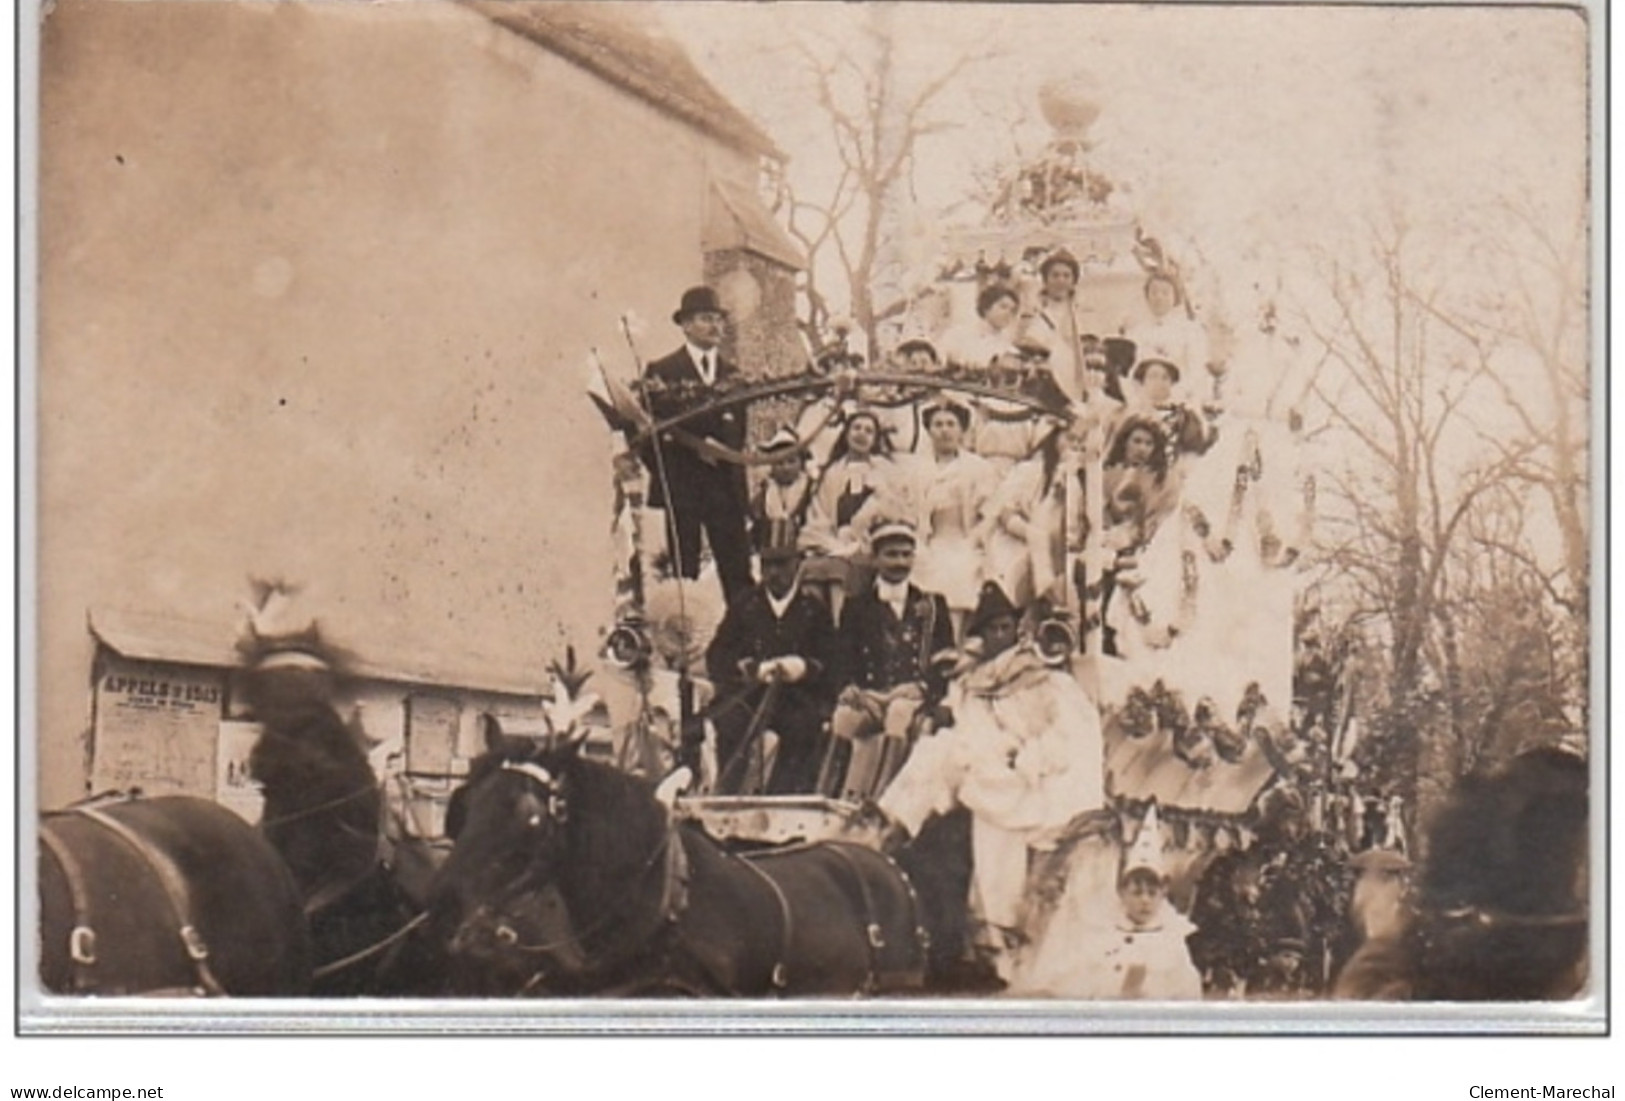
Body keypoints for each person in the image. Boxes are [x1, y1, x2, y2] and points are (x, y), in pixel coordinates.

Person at [877, 581, 1106, 984]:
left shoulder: (1046, 680)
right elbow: (966, 730)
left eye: (1007, 627)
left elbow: (1071, 736)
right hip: (986, 770)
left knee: (993, 822)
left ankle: (998, 938)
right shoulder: (973, 683)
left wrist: (1025, 757)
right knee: (938, 750)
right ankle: (890, 825)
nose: (1001, 636)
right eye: (992, 629)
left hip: (1033, 780)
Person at [819, 518, 955, 802]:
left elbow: (946, 661)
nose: (900, 562)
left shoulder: (932, 605)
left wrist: (923, 688)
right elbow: (841, 654)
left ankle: (885, 800)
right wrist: (849, 687)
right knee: (843, 718)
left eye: (906, 554)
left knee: (899, 714)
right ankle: (828, 797)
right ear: (875, 558)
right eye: (891, 554)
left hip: (911, 698)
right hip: (871, 696)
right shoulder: (857, 606)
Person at [640, 285, 754, 605]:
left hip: (725, 488)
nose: (716, 326)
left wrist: (719, 450)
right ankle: (682, 647)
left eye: (719, 319)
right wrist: (689, 454)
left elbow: (739, 433)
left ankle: (742, 647)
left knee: (738, 574)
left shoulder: (735, 374)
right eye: (706, 318)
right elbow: (650, 437)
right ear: (686, 325)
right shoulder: (661, 371)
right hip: (683, 486)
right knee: (682, 574)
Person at [703, 523, 836, 795]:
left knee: (804, 727)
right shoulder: (744, 605)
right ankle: (728, 795)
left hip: (797, 698)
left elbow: (833, 660)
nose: (774, 573)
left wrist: (803, 668)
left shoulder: (814, 610)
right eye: (767, 565)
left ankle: (786, 797)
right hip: (749, 695)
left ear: (797, 564)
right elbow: (716, 655)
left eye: (782, 564)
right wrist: (748, 667)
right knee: (729, 721)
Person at [1020, 804, 1203, 999]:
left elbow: (1187, 992)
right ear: (1122, 893)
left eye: (1152, 893)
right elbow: (1080, 980)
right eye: (1137, 893)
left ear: (1162, 894)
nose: (1145, 901)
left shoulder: (1171, 941)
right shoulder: (1103, 933)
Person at [904, 397, 996, 639]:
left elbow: (990, 513)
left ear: (962, 430)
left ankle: (957, 642)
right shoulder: (915, 469)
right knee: (921, 569)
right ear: (929, 430)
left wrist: (977, 539)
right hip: (928, 539)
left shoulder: (978, 467)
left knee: (962, 571)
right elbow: (908, 511)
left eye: (951, 424)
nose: (944, 431)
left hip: (966, 539)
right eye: (938, 424)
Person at [1125, 271, 1210, 391]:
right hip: (1144, 399)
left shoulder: (1191, 330)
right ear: (1147, 296)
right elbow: (1130, 372)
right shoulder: (1135, 332)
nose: (1159, 297)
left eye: (1165, 293)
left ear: (1175, 297)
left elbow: (1196, 371)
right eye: (1154, 292)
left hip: (1180, 396)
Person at [1128, 356, 1217, 467]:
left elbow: (1191, 455)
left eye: (1165, 378)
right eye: (1153, 377)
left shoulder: (1184, 417)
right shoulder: (1128, 415)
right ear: (1142, 382)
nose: (1159, 382)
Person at [748, 427, 813, 555]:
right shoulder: (763, 495)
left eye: (791, 461)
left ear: (801, 463)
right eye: (779, 463)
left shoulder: (812, 492)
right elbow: (754, 527)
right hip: (769, 554)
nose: (785, 467)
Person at [939, 283, 1022, 371]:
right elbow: (939, 360)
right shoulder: (957, 334)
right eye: (1003, 307)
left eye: (1012, 310)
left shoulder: (1007, 348)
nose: (1008, 313)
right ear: (987, 307)